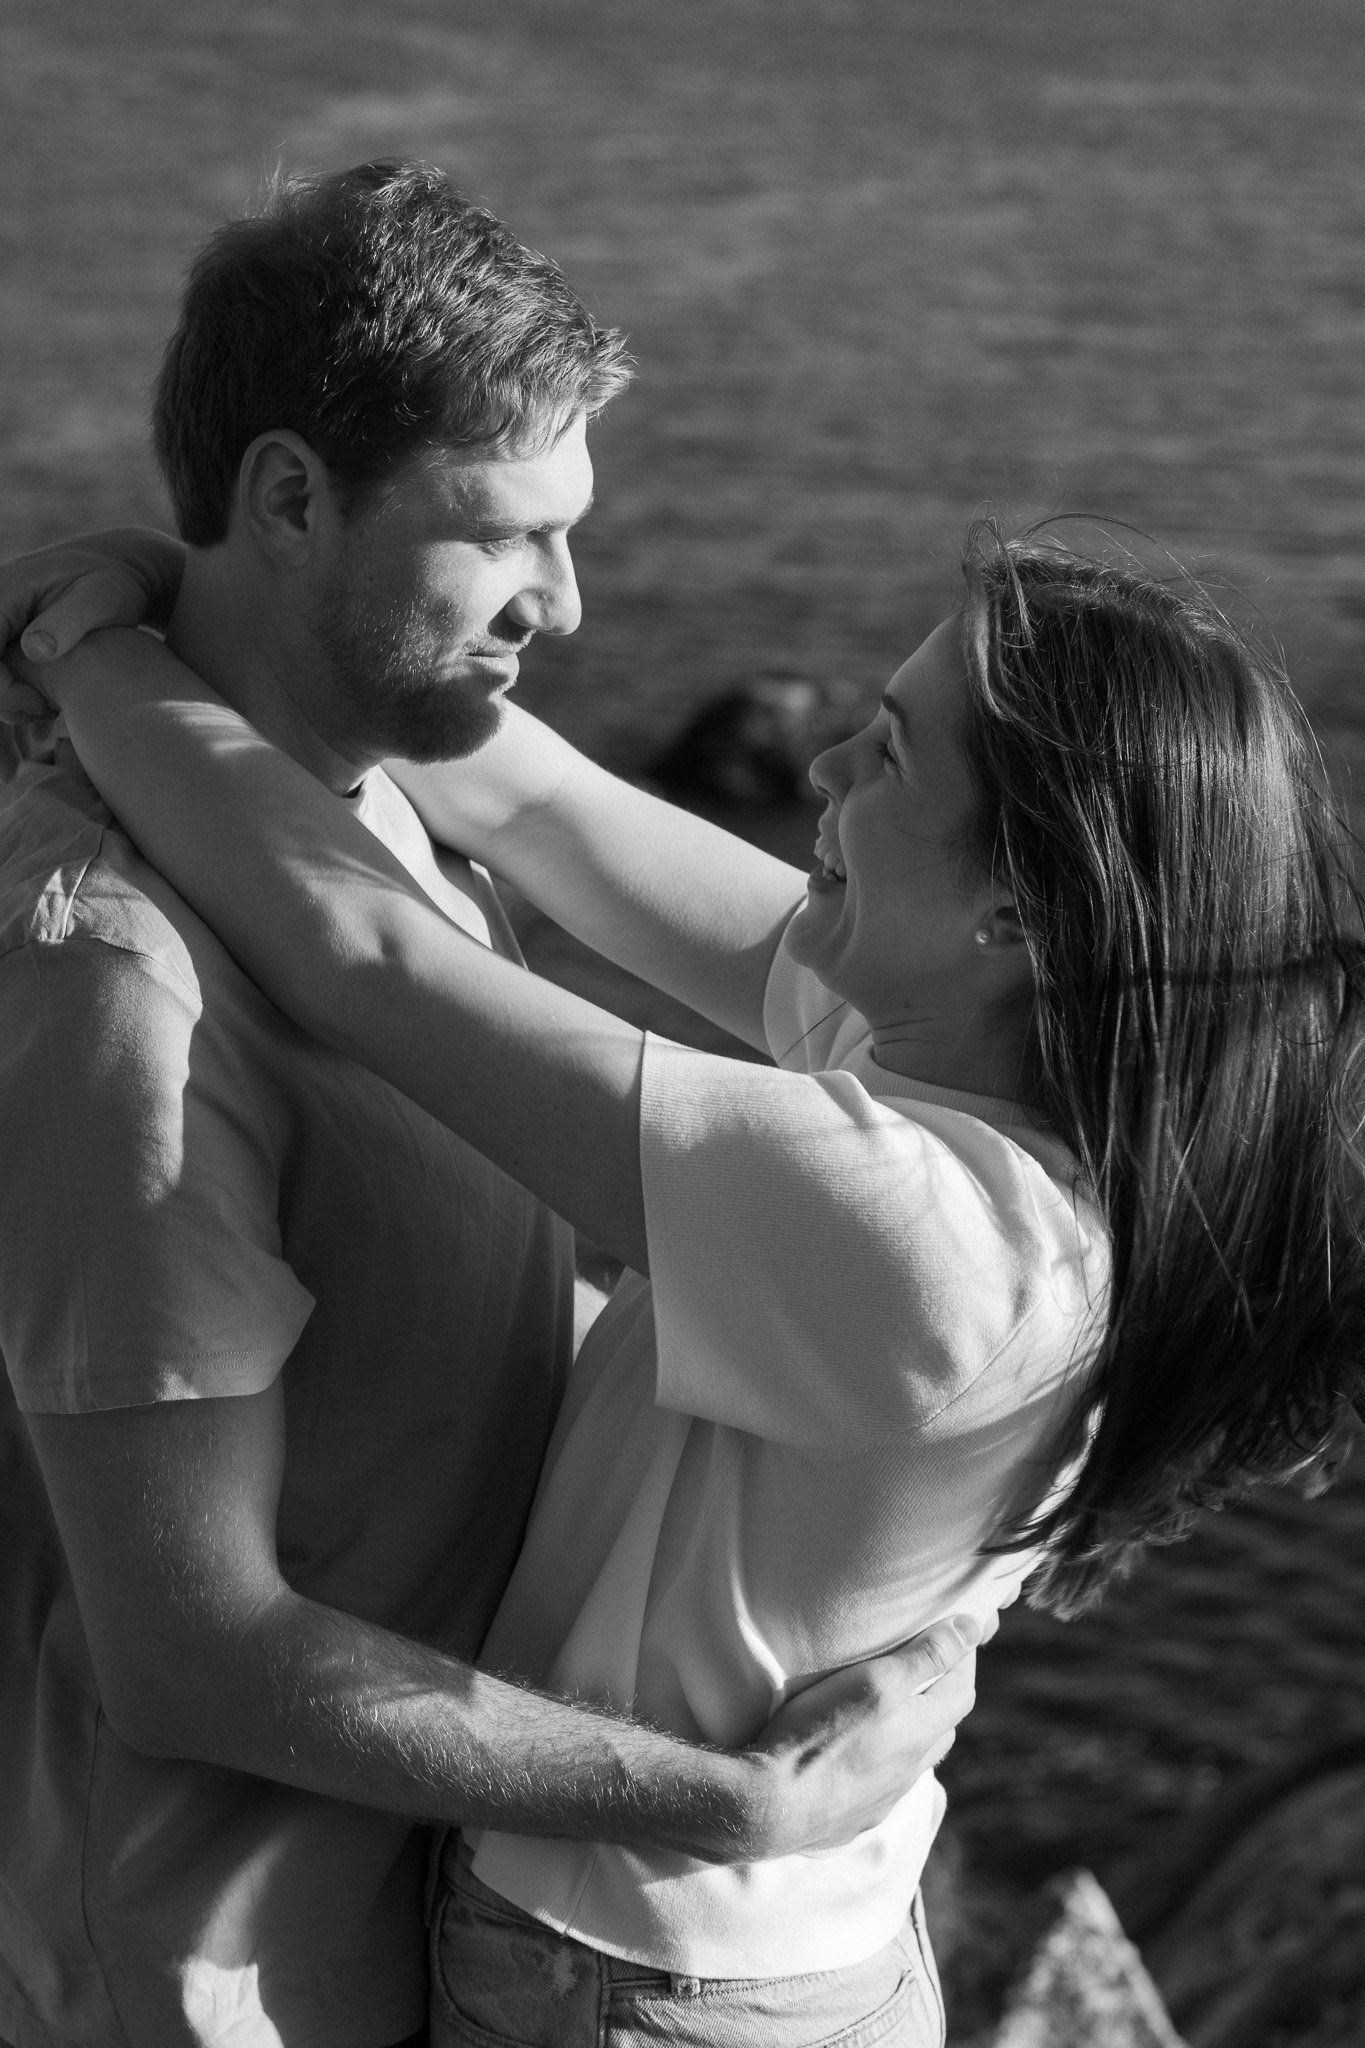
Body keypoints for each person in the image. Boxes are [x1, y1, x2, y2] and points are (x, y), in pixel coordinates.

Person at [10, 522, 1364, 2048]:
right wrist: (215, 599)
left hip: (634, 1983)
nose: (823, 766)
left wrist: (90, 658)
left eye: (891, 757)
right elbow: (544, 805)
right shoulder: (1007, 1077)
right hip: (777, 1951)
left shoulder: (919, 1223)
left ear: (1017, 913)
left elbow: (363, 953)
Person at [0, 161, 976, 2048]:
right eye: (512, 537)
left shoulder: (385, 792)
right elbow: (187, 1652)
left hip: (421, 1920)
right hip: (228, 1984)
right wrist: (738, 1805)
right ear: (289, 497)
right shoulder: (124, 986)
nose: (574, 604)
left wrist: (97, 627)